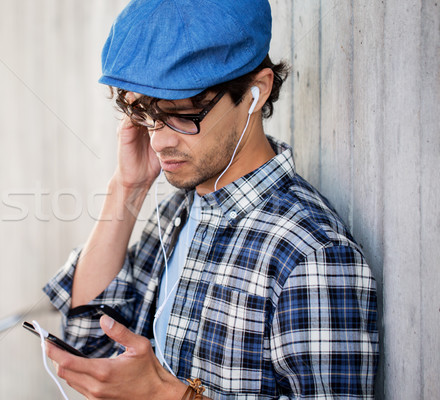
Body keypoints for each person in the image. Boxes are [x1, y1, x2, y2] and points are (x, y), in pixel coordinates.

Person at [43, 0, 379, 399]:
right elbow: (88, 346)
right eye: (145, 113)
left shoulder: (310, 253)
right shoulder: (177, 212)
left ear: (257, 91)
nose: (160, 140)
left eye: (184, 113)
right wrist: (128, 187)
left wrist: (172, 396)